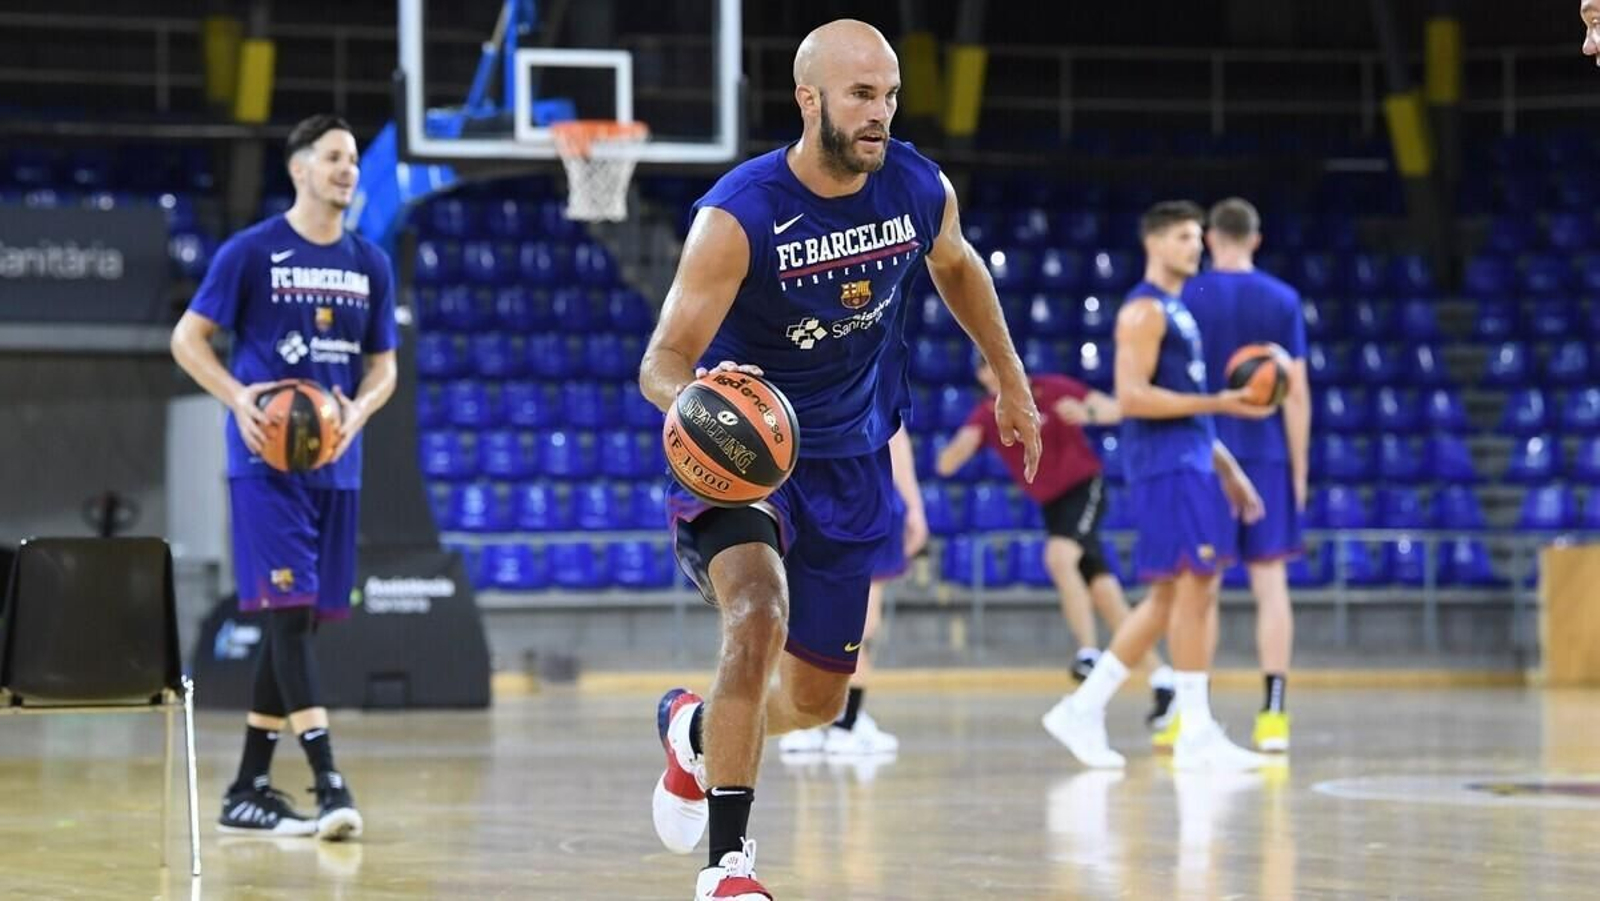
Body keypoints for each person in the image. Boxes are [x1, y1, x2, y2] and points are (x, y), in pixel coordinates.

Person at [637, 20, 1041, 900]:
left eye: (891, 95)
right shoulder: (739, 215)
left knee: (818, 699)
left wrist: (1010, 379)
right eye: (862, 95)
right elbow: (660, 363)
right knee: (756, 618)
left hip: (853, 459)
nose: (881, 113)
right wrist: (701, 401)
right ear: (808, 98)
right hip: (746, 455)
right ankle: (728, 865)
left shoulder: (915, 187)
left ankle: (696, 736)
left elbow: (959, 265)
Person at [170, 114, 397, 839]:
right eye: (333, 157)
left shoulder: (370, 261)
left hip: (338, 461)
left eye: (353, 159)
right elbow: (188, 338)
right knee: (288, 615)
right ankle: (329, 780)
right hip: (265, 462)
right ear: (298, 168)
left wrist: (356, 413)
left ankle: (247, 787)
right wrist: (239, 399)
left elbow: (383, 366)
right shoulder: (251, 253)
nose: (347, 169)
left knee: (293, 620)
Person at [1041, 200, 1271, 772]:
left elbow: (1182, 405)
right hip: (1165, 466)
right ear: (1157, 243)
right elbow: (1135, 397)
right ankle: (1193, 730)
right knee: (1194, 587)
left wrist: (1228, 468)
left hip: (1189, 460)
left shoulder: (1177, 310)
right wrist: (1224, 402)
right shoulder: (1143, 313)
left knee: (1177, 594)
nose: (1196, 247)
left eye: (1198, 238)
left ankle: (1085, 708)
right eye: (1186, 237)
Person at [933, 357, 1174, 720]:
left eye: (997, 367)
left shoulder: (1051, 388)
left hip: (1083, 489)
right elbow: (948, 462)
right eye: (986, 371)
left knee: (1059, 558)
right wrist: (959, 448)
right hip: (1051, 505)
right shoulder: (987, 413)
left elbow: (1114, 409)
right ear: (982, 378)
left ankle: (1088, 653)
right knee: (1105, 594)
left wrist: (1087, 412)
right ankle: (1163, 679)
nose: (993, 376)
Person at [1180, 198, 1310, 752]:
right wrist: (1299, 473)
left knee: (1201, 587)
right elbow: (1297, 394)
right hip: (1267, 454)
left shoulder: (1188, 294)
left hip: (1207, 449)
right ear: (1255, 239)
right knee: (1271, 585)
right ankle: (1273, 715)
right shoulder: (1283, 299)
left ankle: (1196, 716)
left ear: (1210, 238)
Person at [777, 425, 926, 757]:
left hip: (811, 502)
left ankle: (814, 724)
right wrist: (915, 507)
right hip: (864, 505)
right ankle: (844, 724)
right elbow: (896, 439)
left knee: (805, 620)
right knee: (857, 626)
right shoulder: (871, 387)